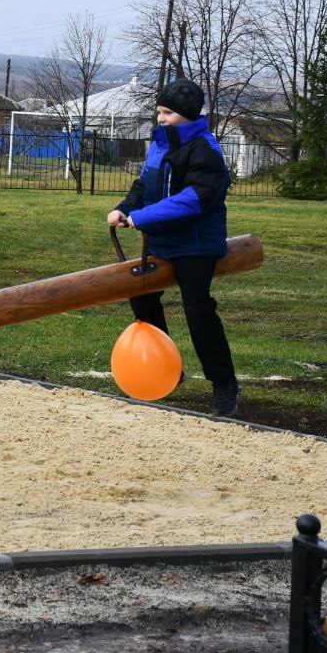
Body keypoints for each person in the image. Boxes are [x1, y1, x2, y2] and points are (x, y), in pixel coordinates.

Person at [107, 78, 241, 416]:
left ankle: (224, 383)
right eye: (159, 112)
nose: (161, 118)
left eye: (167, 112)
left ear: (187, 114)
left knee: (198, 308)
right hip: (162, 240)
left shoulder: (205, 149)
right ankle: (168, 369)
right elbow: (144, 185)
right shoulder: (160, 143)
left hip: (196, 244)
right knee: (141, 297)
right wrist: (125, 208)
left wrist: (143, 216)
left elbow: (194, 200)